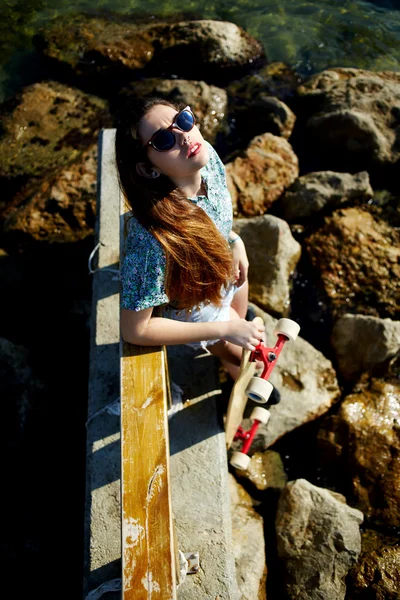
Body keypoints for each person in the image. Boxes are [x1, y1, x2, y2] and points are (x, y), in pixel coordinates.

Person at [115, 97, 265, 380]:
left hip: (225, 271)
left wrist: (236, 242)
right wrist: (224, 330)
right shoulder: (150, 242)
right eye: (163, 140)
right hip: (195, 304)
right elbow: (135, 330)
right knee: (253, 363)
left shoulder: (206, 157)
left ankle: (233, 357)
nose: (184, 136)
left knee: (243, 329)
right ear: (149, 169)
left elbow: (213, 218)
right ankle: (234, 370)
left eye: (183, 120)